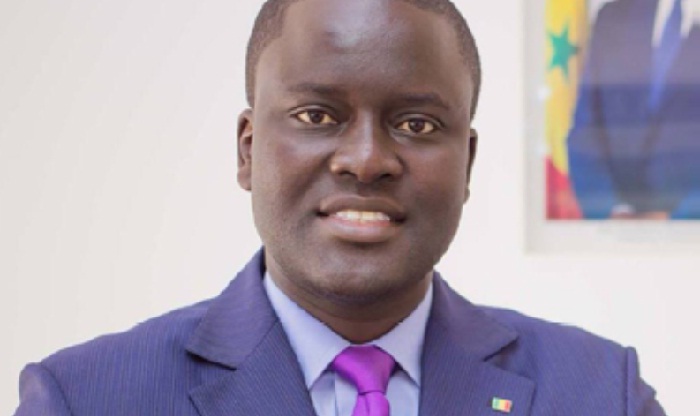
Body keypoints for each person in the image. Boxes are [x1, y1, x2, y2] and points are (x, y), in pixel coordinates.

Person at [15, 0, 666, 414]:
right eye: (317, 115)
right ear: (247, 150)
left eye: (415, 124)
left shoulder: (599, 392)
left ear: (466, 164)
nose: (365, 159)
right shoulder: (85, 397)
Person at [568, 0, 700, 219]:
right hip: (613, 231)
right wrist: (611, 212)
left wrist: (675, 223)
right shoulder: (613, 17)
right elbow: (585, 129)